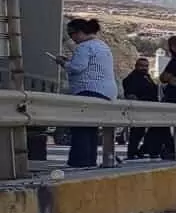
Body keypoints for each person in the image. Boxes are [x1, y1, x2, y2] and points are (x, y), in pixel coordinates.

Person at [48, 18, 116, 168]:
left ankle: (79, 161)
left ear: (79, 32)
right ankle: (89, 160)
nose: (72, 38)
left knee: (80, 127)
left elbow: (77, 67)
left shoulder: (84, 47)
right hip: (106, 92)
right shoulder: (102, 45)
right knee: (91, 127)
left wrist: (63, 63)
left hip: (88, 90)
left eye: (71, 34)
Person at [121, 56, 159, 160]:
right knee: (137, 132)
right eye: (141, 66)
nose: (144, 68)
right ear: (136, 66)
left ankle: (144, 150)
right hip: (139, 108)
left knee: (155, 129)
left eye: (146, 66)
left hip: (151, 108)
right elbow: (130, 94)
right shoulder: (131, 78)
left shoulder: (147, 77)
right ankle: (133, 152)